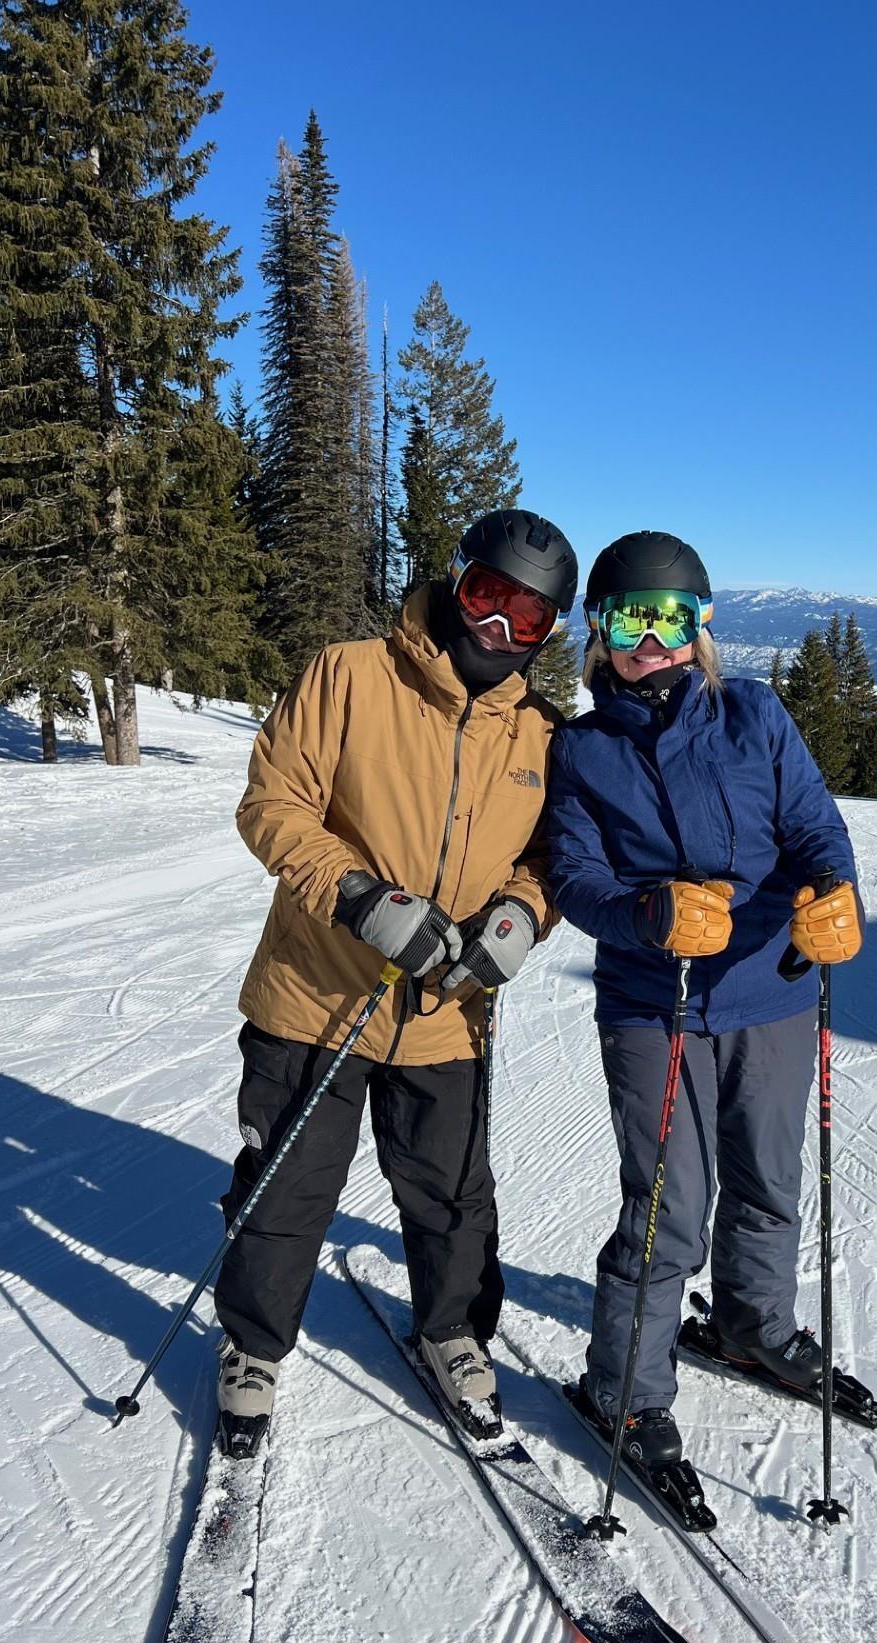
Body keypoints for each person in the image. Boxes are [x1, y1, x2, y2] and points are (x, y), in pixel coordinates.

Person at [213, 508, 578, 1452]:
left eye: (527, 618)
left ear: (548, 634)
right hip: (318, 994)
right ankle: (254, 1347)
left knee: (453, 1193)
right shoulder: (350, 675)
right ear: (457, 584)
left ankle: (452, 1331)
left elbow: (549, 860)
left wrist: (521, 916)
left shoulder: (540, 733)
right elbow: (272, 804)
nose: (499, 630)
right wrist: (358, 895)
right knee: (285, 1187)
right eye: (488, 598)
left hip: (449, 1012)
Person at [546, 530, 866, 1484]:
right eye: (630, 618)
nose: (652, 638)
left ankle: (752, 1325)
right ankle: (626, 1391)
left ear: (701, 627)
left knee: (769, 1178)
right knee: (666, 1210)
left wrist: (833, 893)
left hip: (769, 989)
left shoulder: (755, 715)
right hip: (657, 1006)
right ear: (599, 632)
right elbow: (572, 875)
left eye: (672, 617)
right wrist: (648, 912)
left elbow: (813, 825)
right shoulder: (582, 748)